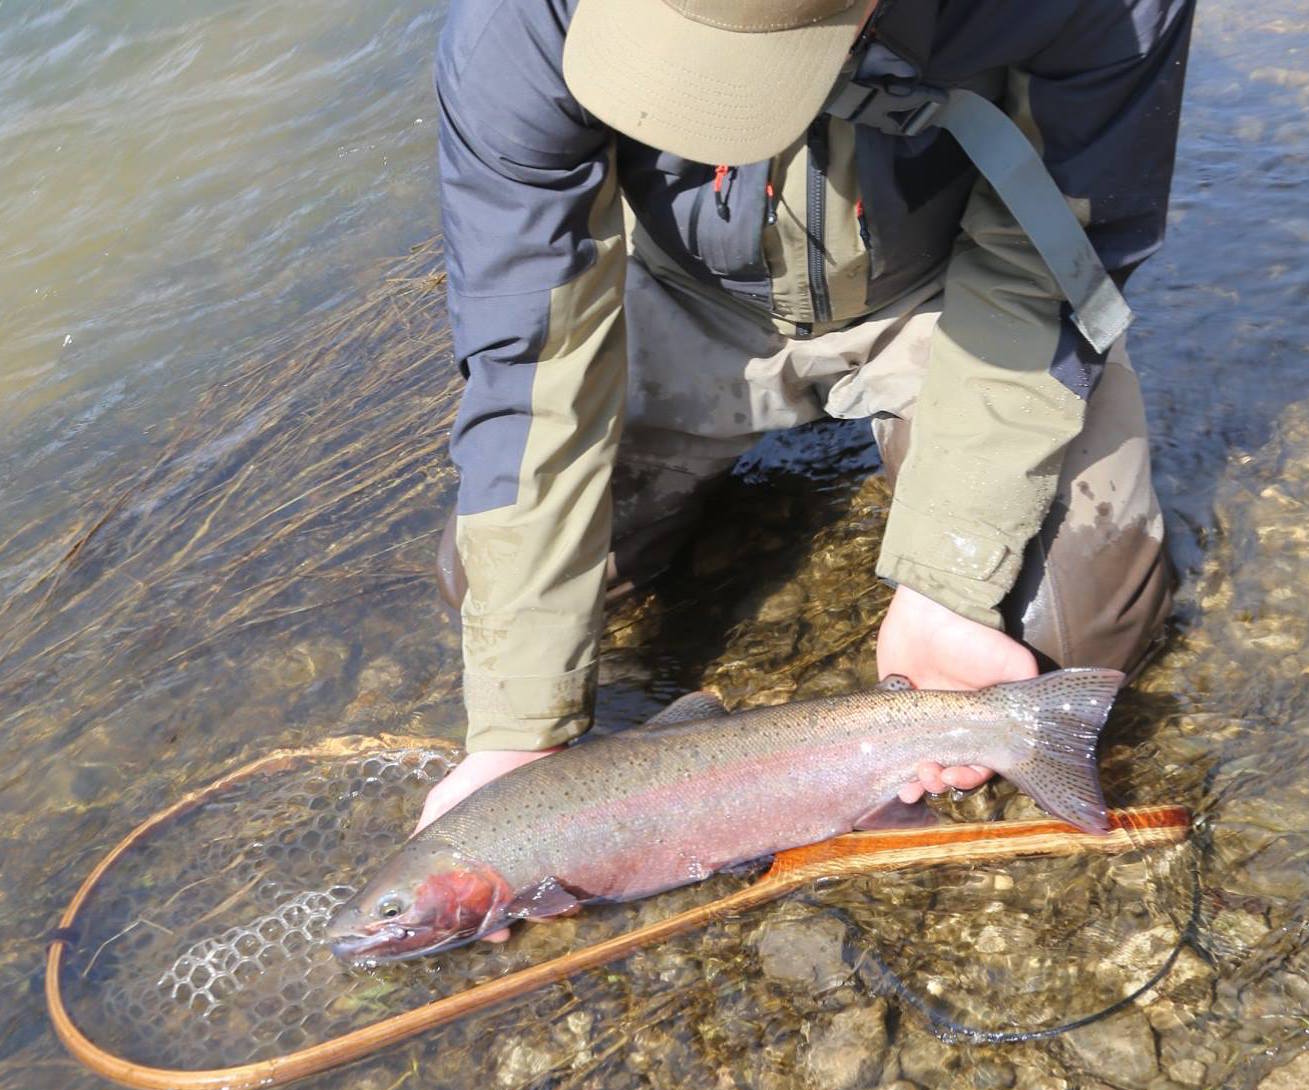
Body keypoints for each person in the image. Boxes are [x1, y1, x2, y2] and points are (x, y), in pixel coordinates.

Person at [418, 0, 1194, 858]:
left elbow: (1041, 264)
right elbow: (532, 344)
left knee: (1048, 632)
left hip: (952, 294)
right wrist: (515, 730)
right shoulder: (520, 23)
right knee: (493, 594)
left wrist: (948, 583)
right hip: (680, 294)